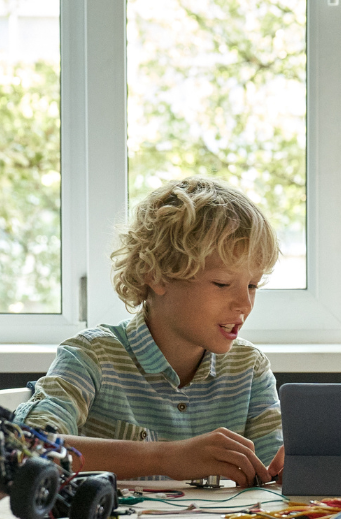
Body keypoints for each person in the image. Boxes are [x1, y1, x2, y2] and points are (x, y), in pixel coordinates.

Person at [14, 176, 284, 486]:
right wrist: (166, 457)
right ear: (155, 274)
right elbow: (26, 449)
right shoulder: (92, 356)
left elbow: (269, 482)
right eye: (222, 284)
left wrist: (292, 469)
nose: (244, 303)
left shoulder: (249, 367)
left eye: (252, 285)